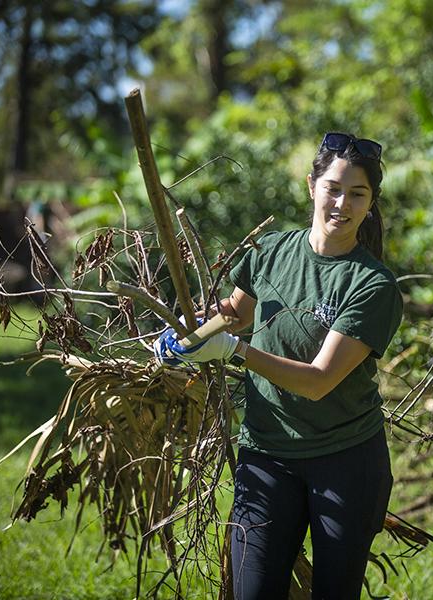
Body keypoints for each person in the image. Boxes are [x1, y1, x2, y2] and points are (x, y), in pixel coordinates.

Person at [155, 132, 403, 599]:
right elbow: (234, 313)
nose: (342, 204)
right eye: (333, 188)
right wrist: (186, 335)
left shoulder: (374, 286)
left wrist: (234, 350)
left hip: (346, 461)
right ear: (312, 186)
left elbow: (318, 382)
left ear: (371, 204)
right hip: (267, 454)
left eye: (357, 194)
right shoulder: (270, 252)